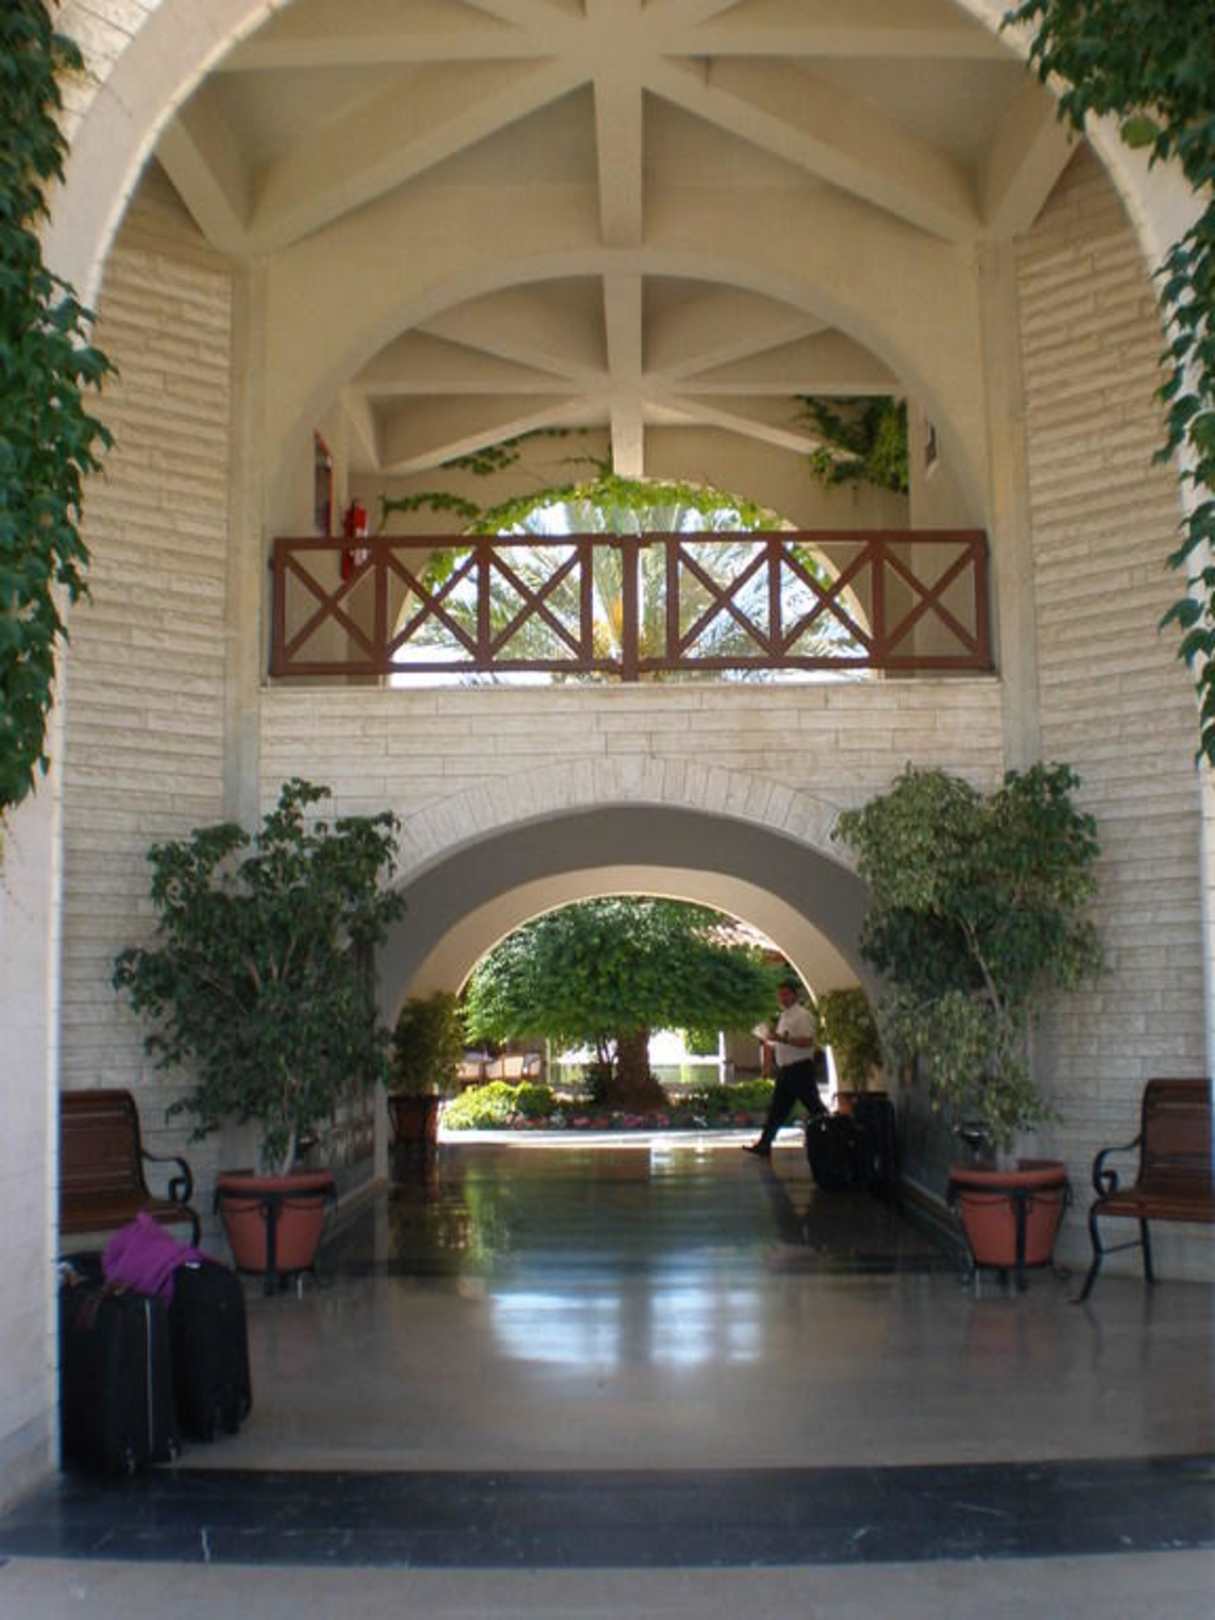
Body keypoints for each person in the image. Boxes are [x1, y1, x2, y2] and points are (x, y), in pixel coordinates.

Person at [743, 979, 826, 1157]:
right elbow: (780, 1041)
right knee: (777, 1109)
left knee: (814, 1106)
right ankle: (765, 1143)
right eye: (780, 995)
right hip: (787, 1069)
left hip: (800, 1068)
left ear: (795, 995)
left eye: (786, 994)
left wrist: (782, 1039)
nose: (782, 998)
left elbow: (808, 1041)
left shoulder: (802, 1016)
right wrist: (771, 1042)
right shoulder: (784, 1016)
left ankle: (833, 1134)